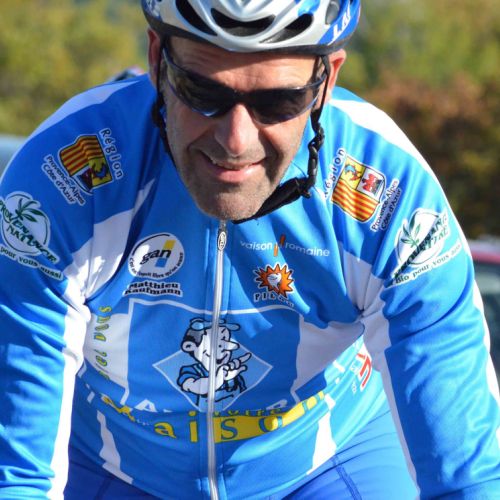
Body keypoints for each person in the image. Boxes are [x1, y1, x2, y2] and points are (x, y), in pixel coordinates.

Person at [0, 0, 499, 498]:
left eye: (278, 101)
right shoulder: (64, 179)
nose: (235, 140)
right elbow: (17, 475)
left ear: (326, 82)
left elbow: (470, 475)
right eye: (203, 93)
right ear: (157, 61)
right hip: (111, 468)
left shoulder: (388, 194)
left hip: (331, 465)